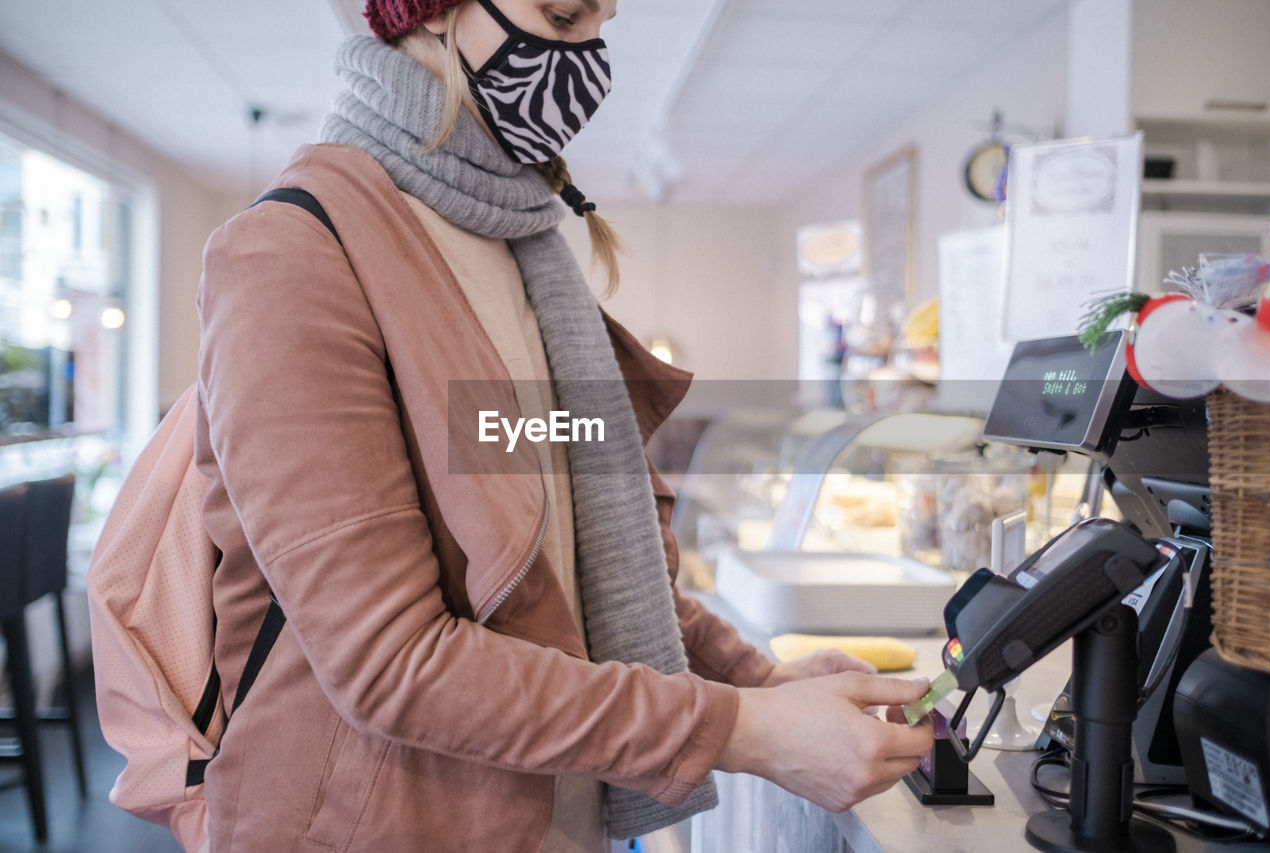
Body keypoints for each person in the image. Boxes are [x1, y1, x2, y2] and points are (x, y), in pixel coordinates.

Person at [193, 0, 935, 850]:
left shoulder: (523, 250)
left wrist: (760, 680)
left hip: (554, 817)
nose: (589, 57)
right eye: (564, 15)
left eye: (600, 23)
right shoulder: (290, 254)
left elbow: (578, 565)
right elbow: (392, 663)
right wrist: (745, 728)